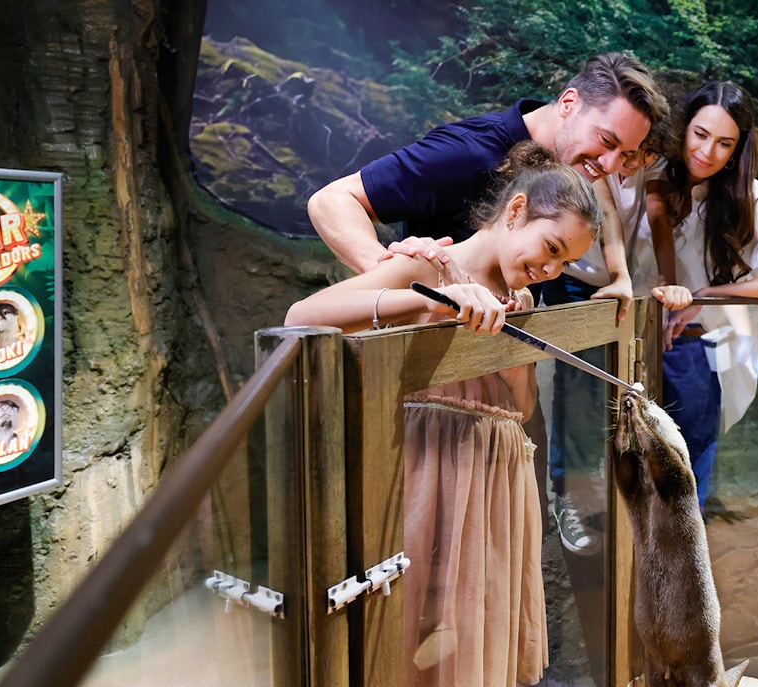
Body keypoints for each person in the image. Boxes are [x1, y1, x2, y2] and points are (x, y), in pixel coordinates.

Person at [286, 142, 603, 687]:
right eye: (550, 248)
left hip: (495, 481)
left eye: (564, 263)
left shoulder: (523, 300)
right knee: (407, 621)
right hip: (427, 470)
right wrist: (426, 301)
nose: (550, 269)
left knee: (478, 629)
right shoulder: (430, 263)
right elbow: (302, 315)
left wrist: (512, 357)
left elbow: (522, 408)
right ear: (516, 210)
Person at [307, 51, 668, 289]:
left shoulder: (567, 171)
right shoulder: (469, 151)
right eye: (606, 140)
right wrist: (392, 276)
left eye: (625, 154)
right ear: (569, 103)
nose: (610, 165)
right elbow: (333, 200)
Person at [631, 81, 758, 514]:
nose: (708, 152)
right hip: (629, 339)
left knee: (682, 474)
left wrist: (708, 295)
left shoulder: (746, 197)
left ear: (737, 150)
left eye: (724, 143)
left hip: (691, 348)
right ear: (683, 127)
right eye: (700, 134)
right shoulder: (645, 172)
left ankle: (684, 551)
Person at [542, 126, 673, 555]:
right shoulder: (598, 156)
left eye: (643, 154)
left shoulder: (655, 166)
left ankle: (603, 488)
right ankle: (570, 496)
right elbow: (605, 210)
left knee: (621, 388)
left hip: (628, 287)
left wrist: (657, 279)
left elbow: (656, 214)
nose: (631, 162)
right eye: (628, 151)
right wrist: (618, 275)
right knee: (578, 383)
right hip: (577, 275)